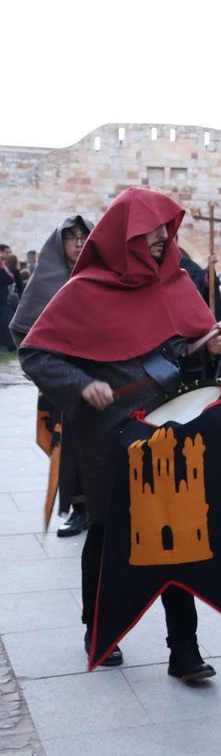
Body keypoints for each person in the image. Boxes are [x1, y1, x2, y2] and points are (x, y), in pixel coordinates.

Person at [19, 189, 221, 681]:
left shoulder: (178, 283)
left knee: (179, 533)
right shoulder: (82, 290)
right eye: (150, 231)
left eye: (165, 229)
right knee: (109, 532)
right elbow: (36, 355)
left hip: (172, 427)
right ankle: (99, 631)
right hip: (108, 435)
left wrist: (216, 348)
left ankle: (184, 647)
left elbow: (193, 357)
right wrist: (81, 384)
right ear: (123, 236)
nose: (162, 238)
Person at [10, 216, 93, 536]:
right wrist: (45, 365)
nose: (79, 243)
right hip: (62, 378)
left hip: (100, 373)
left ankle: (103, 503)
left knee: (101, 441)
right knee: (66, 445)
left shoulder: (100, 276)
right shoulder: (48, 279)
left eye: (84, 237)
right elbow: (22, 327)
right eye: (72, 238)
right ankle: (78, 507)